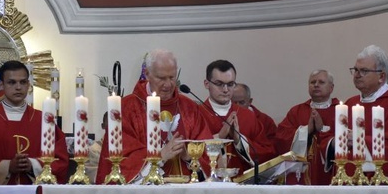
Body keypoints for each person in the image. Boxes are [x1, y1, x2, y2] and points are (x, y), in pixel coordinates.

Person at [96, 49, 213, 183]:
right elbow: (121, 159)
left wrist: (190, 157)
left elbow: (208, 155)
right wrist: (159, 156)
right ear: (147, 74)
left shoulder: (189, 108)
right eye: (161, 78)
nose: (168, 84)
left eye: (172, 77)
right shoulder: (127, 108)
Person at [320, 45, 388, 185]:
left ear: (381, 76)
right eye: (355, 70)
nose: (357, 74)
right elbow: (329, 139)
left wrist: (359, 140)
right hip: (347, 186)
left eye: (364, 71)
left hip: (381, 188)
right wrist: (336, 142)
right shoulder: (349, 104)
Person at [0, 60, 69, 186]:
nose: (18, 87)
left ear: (28, 85)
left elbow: (61, 161)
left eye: (22, 82)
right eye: (11, 82)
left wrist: (32, 165)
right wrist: (7, 166)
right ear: (1, 85)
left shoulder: (44, 120)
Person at [199, 60, 276, 173]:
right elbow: (190, 153)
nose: (225, 90)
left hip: (242, 186)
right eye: (219, 84)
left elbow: (267, 153)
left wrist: (239, 140)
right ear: (206, 84)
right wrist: (219, 137)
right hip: (207, 186)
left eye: (230, 84)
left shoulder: (247, 116)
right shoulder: (196, 114)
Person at [275, 69, 339, 185]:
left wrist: (321, 129)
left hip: (330, 173)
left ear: (331, 88)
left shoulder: (340, 111)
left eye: (321, 82)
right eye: (312, 82)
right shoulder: (297, 111)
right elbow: (280, 138)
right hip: (302, 174)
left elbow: (346, 140)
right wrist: (306, 130)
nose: (316, 85)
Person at [232, 82, 278, 152]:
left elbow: (272, 149)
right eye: (233, 103)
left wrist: (241, 143)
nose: (238, 107)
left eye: (241, 103)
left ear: (250, 101)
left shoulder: (265, 120)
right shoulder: (224, 118)